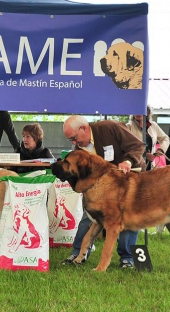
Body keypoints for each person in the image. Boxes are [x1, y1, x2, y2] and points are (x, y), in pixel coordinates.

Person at [61, 115, 146, 269]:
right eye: (70, 140)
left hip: (128, 184)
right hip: (101, 191)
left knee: (128, 219)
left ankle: (127, 258)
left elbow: (138, 146)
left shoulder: (110, 127)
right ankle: (79, 252)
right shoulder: (78, 149)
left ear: (84, 128)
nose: (74, 143)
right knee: (89, 217)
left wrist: (127, 161)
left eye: (74, 138)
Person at [125, 105, 170, 170]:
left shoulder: (153, 125)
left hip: (151, 165)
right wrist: (144, 155)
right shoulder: (128, 127)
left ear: (148, 112)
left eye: (142, 110)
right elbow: (126, 147)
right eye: (136, 110)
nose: (139, 113)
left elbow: (165, 138)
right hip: (135, 165)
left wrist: (161, 150)